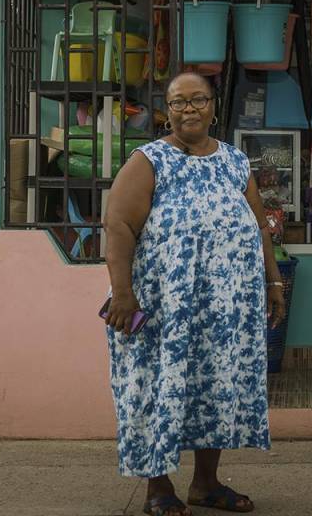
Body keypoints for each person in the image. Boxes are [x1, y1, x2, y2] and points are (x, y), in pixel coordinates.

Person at [103, 72, 286, 515]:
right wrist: (122, 293)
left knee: (216, 386)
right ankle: (158, 488)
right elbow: (119, 225)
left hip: (227, 307)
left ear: (213, 106)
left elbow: (259, 225)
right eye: (179, 102)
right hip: (168, 306)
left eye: (198, 100)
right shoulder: (148, 161)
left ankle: (206, 484)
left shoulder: (234, 161)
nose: (189, 109)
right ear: (167, 110)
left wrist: (273, 281)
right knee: (160, 385)